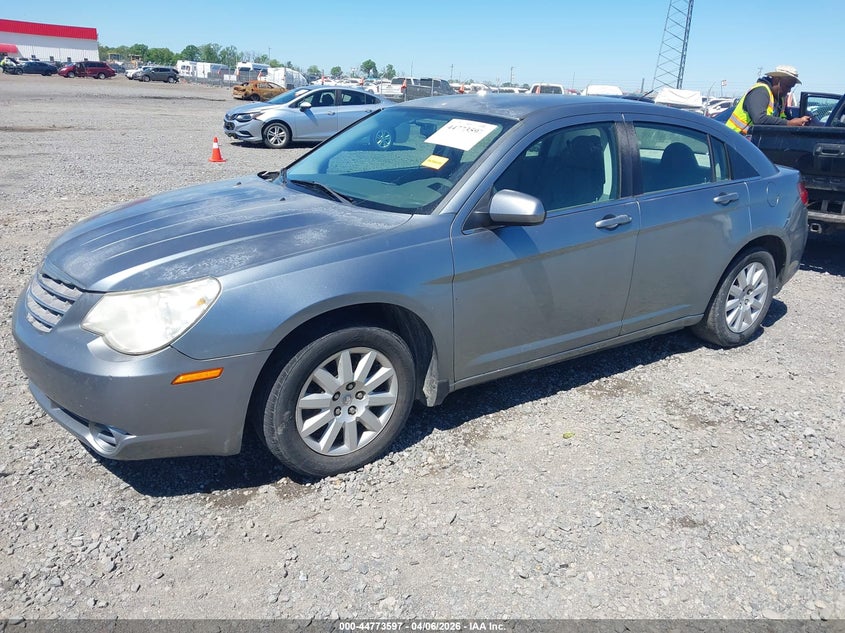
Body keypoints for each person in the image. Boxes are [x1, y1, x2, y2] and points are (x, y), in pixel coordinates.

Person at [726, 65, 810, 135]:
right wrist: (789, 123)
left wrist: (798, 122)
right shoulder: (760, 91)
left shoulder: (779, 98)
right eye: (787, 86)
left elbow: (784, 119)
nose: (789, 91)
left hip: (751, 142)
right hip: (734, 139)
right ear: (776, 80)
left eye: (791, 87)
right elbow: (759, 119)